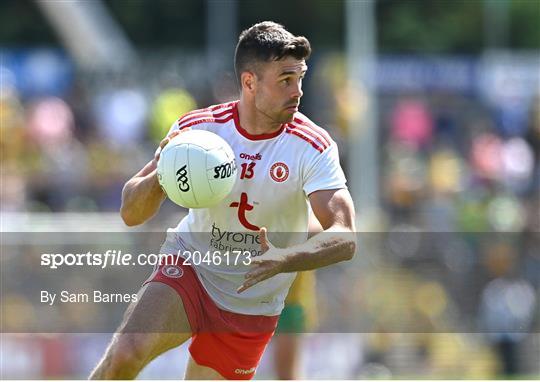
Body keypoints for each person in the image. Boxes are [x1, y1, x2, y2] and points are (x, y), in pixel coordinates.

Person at [90, 21, 356, 380]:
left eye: (299, 79)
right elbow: (130, 212)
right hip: (192, 267)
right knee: (126, 353)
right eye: (285, 80)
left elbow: (345, 235)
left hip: (252, 299)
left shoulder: (312, 145)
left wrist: (286, 258)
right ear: (249, 82)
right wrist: (162, 176)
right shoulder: (197, 131)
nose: (298, 91)